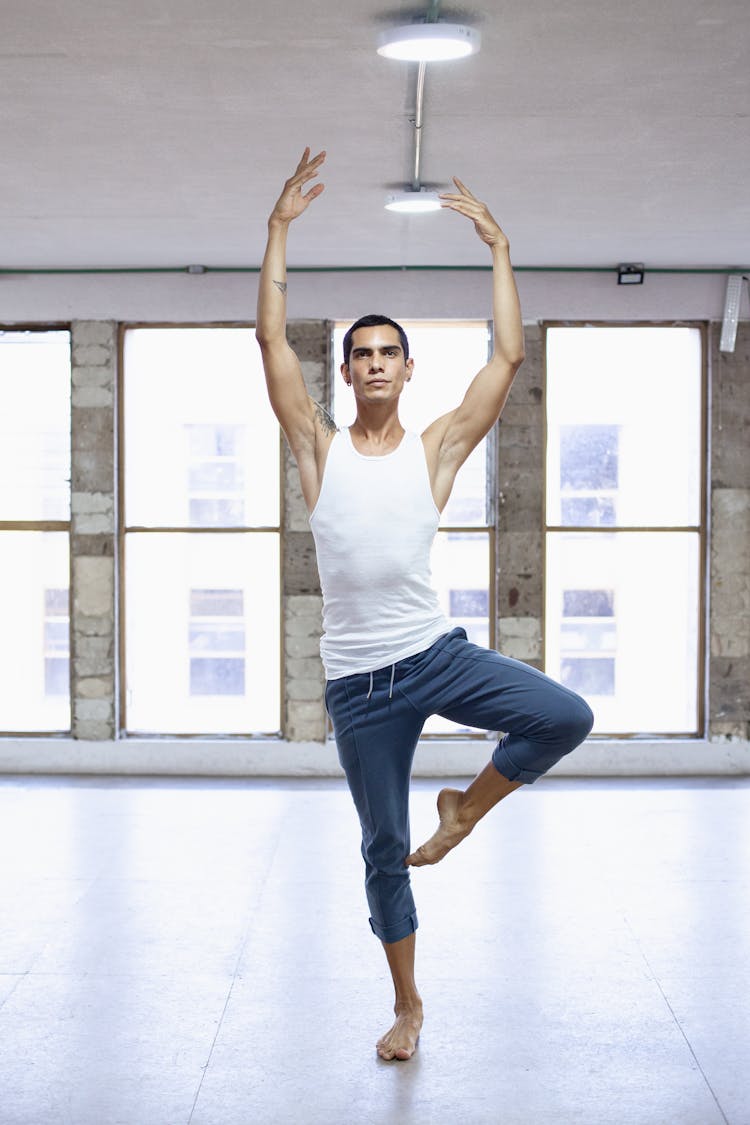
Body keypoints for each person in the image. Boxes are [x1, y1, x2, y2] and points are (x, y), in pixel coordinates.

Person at [256, 147, 594, 1062]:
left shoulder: (435, 449)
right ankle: (408, 1005)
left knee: (565, 715)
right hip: (361, 686)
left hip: (435, 653)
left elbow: (510, 354)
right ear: (347, 371)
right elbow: (270, 346)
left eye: (387, 353)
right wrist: (281, 227)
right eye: (359, 354)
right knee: (380, 849)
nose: (372, 364)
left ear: (408, 369)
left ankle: (467, 810)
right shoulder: (316, 449)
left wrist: (499, 248)